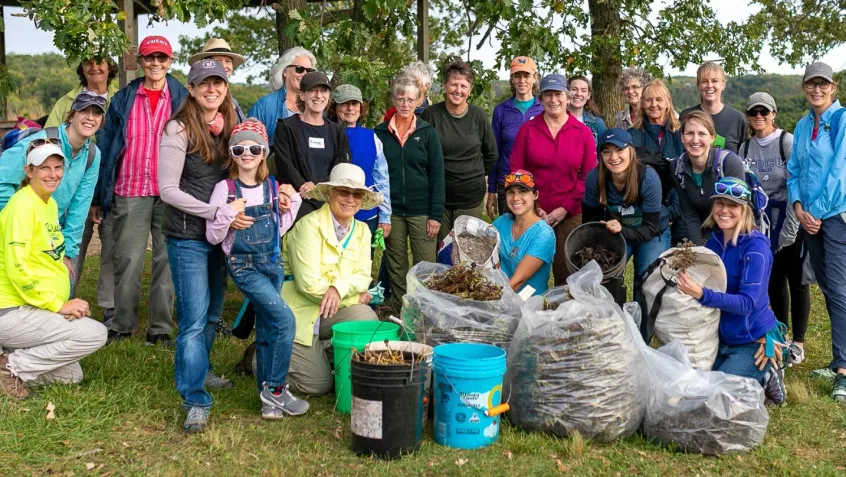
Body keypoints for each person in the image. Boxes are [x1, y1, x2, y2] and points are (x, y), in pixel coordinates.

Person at [206, 119, 309, 419]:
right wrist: (228, 215)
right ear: (232, 154)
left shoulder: (275, 188)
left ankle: (268, 402)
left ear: (264, 152)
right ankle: (277, 389)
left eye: (254, 148)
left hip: (272, 264)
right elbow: (212, 235)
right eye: (239, 149)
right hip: (244, 267)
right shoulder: (224, 189)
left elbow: (280, 228)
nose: (247, 153)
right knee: (284, 320)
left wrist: (294, 201)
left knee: (266, 329)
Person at [158, 60, 238, 433]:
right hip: (188, 235)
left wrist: (277, 193)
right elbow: (168, 190)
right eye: (204, 83)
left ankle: (201, 371)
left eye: (218, 83)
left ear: (225, 88)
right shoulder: (178, 128)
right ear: (191, 89)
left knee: (211, 315)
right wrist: (215, 212)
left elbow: (246, 170)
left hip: (219, 237)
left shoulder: (230, 125)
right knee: (192, 320)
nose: (212, 89)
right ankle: (194, 398)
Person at [95, 35, 187, 345]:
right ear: (140, 61)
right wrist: (100, 195)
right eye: (150, 58)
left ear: (170, 61)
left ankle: (160, 329)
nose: (156, 63)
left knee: (166, 260)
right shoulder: (123, 98)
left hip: (169, 190)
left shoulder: (182, 98)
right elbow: (107, 147)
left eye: (162, 58)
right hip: (130, 187)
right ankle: (122, 325)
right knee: (128, 259)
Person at [0, 144, 107, 400]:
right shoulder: (23, 206)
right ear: (29, 171)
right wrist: (58, 305)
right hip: (11, 309)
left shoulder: (46, 203)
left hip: (32, 307)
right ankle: (9, 369)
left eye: (58, 167)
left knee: (70, 376)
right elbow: (17, 268)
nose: (52, 174)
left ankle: (10, 357)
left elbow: (45, 247)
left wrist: (60, 262)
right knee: (95, 334)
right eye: (44, 168)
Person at [677, 177, 786, 405]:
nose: (724, 210)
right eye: (720, 203)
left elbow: (748, 303)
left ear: (744, 209)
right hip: (719, 336)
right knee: (692, 388)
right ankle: (757, 377)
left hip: (752, 340)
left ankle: (767, 376)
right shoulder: (714, 242)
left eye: (733, 205)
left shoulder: (756, 247)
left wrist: (701, 293)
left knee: (715, 397)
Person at [282, 163, 382, 395]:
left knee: (367, 317)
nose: (350, 199)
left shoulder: (363, 231)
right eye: (343, 192)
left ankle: (317, 350)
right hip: (298, 312)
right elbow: (308, 285)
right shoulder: (308, 225)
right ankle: (263, 355)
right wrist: (354, 296)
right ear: (329, 194)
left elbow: (363, 276)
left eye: (357, 194)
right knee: (319, 385)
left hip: (328, 309)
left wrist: (339, 288)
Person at [0, 93, 104, 297]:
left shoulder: (93, 154)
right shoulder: (42, 141)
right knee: (20, 287)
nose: (90, 117)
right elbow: (2, 178)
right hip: (22, 229)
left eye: (97, 114)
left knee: (60, 287)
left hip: (52, 232)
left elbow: (79, 207)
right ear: (72, 114)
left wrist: (67, 254)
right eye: (84, 111)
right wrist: (13, 220)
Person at [787, 62, 846, 401]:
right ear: (804, 88)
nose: (817, 90)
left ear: (833, 88)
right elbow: (793, 171)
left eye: (823, 84)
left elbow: (840, 171)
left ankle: (843, 370)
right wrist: (799, 208)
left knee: (838, 289)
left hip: (835, 217)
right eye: (811, 84)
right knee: (829, 288)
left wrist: (817, 214)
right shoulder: (802, 124)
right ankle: (840, 360)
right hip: (810, 219)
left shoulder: (841, 121)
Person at [738, 92, 806, 364]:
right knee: (774, 279)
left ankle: (799, 341)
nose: (758, 117)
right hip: (761, 223)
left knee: (797, 280)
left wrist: (790, 229)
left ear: (773, 114)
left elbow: (795, 184)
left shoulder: (786, 142)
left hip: (789, 216)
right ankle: (779, 333)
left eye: (764, 112)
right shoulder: (744, 149)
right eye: (753, 112)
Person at [510, 73, 597, 286]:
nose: (553, 100)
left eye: (558, 94)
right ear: (540, 99)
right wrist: (532, 207)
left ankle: (563, 316)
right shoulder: (528, 130)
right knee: (527, 269)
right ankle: (528, 313)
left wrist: (565, 208)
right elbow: (516, 172)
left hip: (569, 213)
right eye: (547, 94)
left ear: (567, 97)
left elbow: (589, 177)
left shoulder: (582, 133)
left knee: (566, 271)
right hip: (532, 213)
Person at [374, 75, 444, 309]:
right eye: (401, 98)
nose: (405, 104)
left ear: (418, 102)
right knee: (396, 262)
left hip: (421, 210)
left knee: (425, 263)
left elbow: (437, 175)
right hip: (391, 210)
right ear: (394, 99)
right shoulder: (380, 133)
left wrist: (435, 215)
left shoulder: (427, 133)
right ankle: (401, 307)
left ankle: (424, 309)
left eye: (410, 99)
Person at [583, 128, 666, 302]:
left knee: (647, 277)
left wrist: (621, 230)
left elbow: (650, 229)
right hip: (617, 230)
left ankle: (641, 326)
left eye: (619, 150)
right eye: (607, 152)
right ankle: (614, 321)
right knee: (605, 273)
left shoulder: (648, 178)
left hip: (652, 232)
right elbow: (590, 222)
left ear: (631, 151)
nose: (613, 158)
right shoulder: (595, 178)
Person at [421, 60, 497, 243]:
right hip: (439, 198)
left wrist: (472, 173)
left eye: (463, 85)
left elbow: (491, 154)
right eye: (454, 84)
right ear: (445, 85)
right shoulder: (431, 115)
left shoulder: (478, 116)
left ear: (469, 90)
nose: (458, 90)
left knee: (466, 251)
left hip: (470, 197)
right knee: (442, 250)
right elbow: (420, 154)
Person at [273, 71, 351, 221]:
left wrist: (317, 187)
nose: (318, 96)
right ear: (303, 95)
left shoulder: (337, 131)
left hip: (329, 201)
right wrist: (304, 187)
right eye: (313, 90)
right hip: (296, 199)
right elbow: (284, 165)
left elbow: (342, 166)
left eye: (323, 91)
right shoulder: (286, 127)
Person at [327, 84, 392, 244]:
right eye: (344, 103)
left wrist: (385, 216)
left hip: (365, 214)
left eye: (354, 104)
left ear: (361, 107)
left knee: (362, 263)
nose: (350, 108)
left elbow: (381, 179)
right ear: (335, 107)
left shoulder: (372, 137)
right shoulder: (326, 133)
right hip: (331, 214)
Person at [672, 110, 745, 245]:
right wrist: (700, 251)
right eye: (689, 133)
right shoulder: (678, 168)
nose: (695, 140)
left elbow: (738, 211)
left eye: (702, 134)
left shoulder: (729, 163)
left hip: (737, 229)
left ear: (712, 137)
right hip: (705, 227)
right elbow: (690, 215)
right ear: (682, 137)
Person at [487, 56, 544, 219]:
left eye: (526, 76)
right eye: (517, 76)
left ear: (535, 78)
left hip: (538, 184)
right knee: (510, 236)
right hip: (508, 184)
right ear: (511, 79)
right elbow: (494, 152)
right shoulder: (501, 111)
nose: (522, 81)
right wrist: (491, 190)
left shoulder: (543, 109)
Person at [491, 170, 555, 295]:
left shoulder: (544, 234)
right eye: (511, 192)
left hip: (528, 302)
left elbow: (517, 282)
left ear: (535, 194)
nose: (515, 198)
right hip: (499, 292)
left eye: (523, 191)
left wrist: (487, 300)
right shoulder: (502, 222)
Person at [248, 47, 316, 144]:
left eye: (309, 71)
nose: (304, 74)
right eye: (299, 69)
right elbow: (249, 144)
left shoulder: (318, 105)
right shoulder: (264, 106)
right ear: (285, 71)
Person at [680, 62, 747, 153]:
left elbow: (743, 157)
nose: (709, 85)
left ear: (723, 85)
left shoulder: (738, 119)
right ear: (698, 85)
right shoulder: (687, 116)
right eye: (704, 81)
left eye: (714, 81)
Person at [45, 58, 118, 128]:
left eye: (99, 62)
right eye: (88, 63)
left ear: (110, 67)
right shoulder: (64, 102)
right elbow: (47, 137)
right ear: (82, 69)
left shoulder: (122, 99)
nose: (94, 68)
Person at [188, 38, 248, 121]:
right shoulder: (202, 98)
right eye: (217, 61)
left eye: (228, 61)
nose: (224, 66)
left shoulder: (233, 101)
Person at [628, 79, 684, 160]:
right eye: (649, 100)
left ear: (668, 102)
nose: (654, 105)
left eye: (659, 100)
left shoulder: (682, 131)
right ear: (642, 103)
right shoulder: (631, 135)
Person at [567, 75, 607, 143]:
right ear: (567, 93)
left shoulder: (597, 123)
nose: (578, 94)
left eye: (583, 90)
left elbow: (604, 150)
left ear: (588, 95)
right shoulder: (556, 120)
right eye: (574, 89)